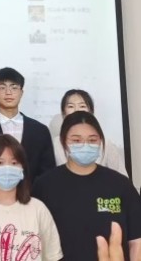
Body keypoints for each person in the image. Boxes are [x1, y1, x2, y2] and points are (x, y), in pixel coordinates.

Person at [33, 111, 141, 261]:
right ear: (63, 142)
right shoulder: (44, 186)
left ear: (100, 141)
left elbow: (136, 241)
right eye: (76, 140)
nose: (85, 145)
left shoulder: (120, 185)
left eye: (92, 140)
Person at [0, 134, 62, 261]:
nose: (7, 168)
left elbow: (53, 256)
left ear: (22, 167)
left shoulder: (38, 209)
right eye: (0, 162)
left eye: (14, 163)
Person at [0, 67, 55, 183]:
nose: (8, 92)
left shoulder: (40, 131)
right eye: (2, 87)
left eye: (14, 87)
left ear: (21, 92)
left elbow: (48, 173)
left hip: (32, 193)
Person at [53, 89, 127, 176]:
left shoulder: (105, 143)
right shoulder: (55, 144)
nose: (77, 110)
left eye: (82, 106)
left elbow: (122, 177)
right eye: (71, 106)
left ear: (91, 111)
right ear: (63, 113)